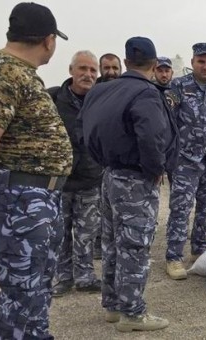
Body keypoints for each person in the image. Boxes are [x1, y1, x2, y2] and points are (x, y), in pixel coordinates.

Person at [0, 3, 71, 339]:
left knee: (34, 293)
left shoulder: (17, 72)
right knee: (21, 296)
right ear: (49, 40)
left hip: (36, 200)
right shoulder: (1, 70)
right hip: (20, 201)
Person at [78, 36, 178, 332]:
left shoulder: (102, 91)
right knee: (134, 245)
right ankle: (132, 313)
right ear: (154, 63)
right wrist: (155, 170)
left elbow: (86, 130)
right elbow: (151, 137)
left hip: (109, 175)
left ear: (126, 61)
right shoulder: (145, 93)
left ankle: (112, 305)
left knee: (111, 243)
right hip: (136, 179)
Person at [164, 42, 206, 280]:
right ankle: (173, 256)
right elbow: (167, 123)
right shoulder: (178, 87)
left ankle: (200, 249)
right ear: (192, 62)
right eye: (201, 61)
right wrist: (170, 156)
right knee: (180, 209)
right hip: (185, 161)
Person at [49, 50, 104, 297]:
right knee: (60, 233)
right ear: (71, 71)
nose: (88, 74)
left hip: (91, 179)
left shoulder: (100, 101)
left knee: (87, 232)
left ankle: (85, 276)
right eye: (83, 69)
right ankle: (63, 277)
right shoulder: (52, 98)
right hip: (59, 181)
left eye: (93, 70)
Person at [93, 52, 123, 260]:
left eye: (115, 68)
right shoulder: (93, 92)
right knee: (96, 206)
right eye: (107, 68)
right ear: (100, 69)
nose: (111, 72)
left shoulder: (126, 91)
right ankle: (98, 244)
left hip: (117, 161)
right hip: (94, 161)